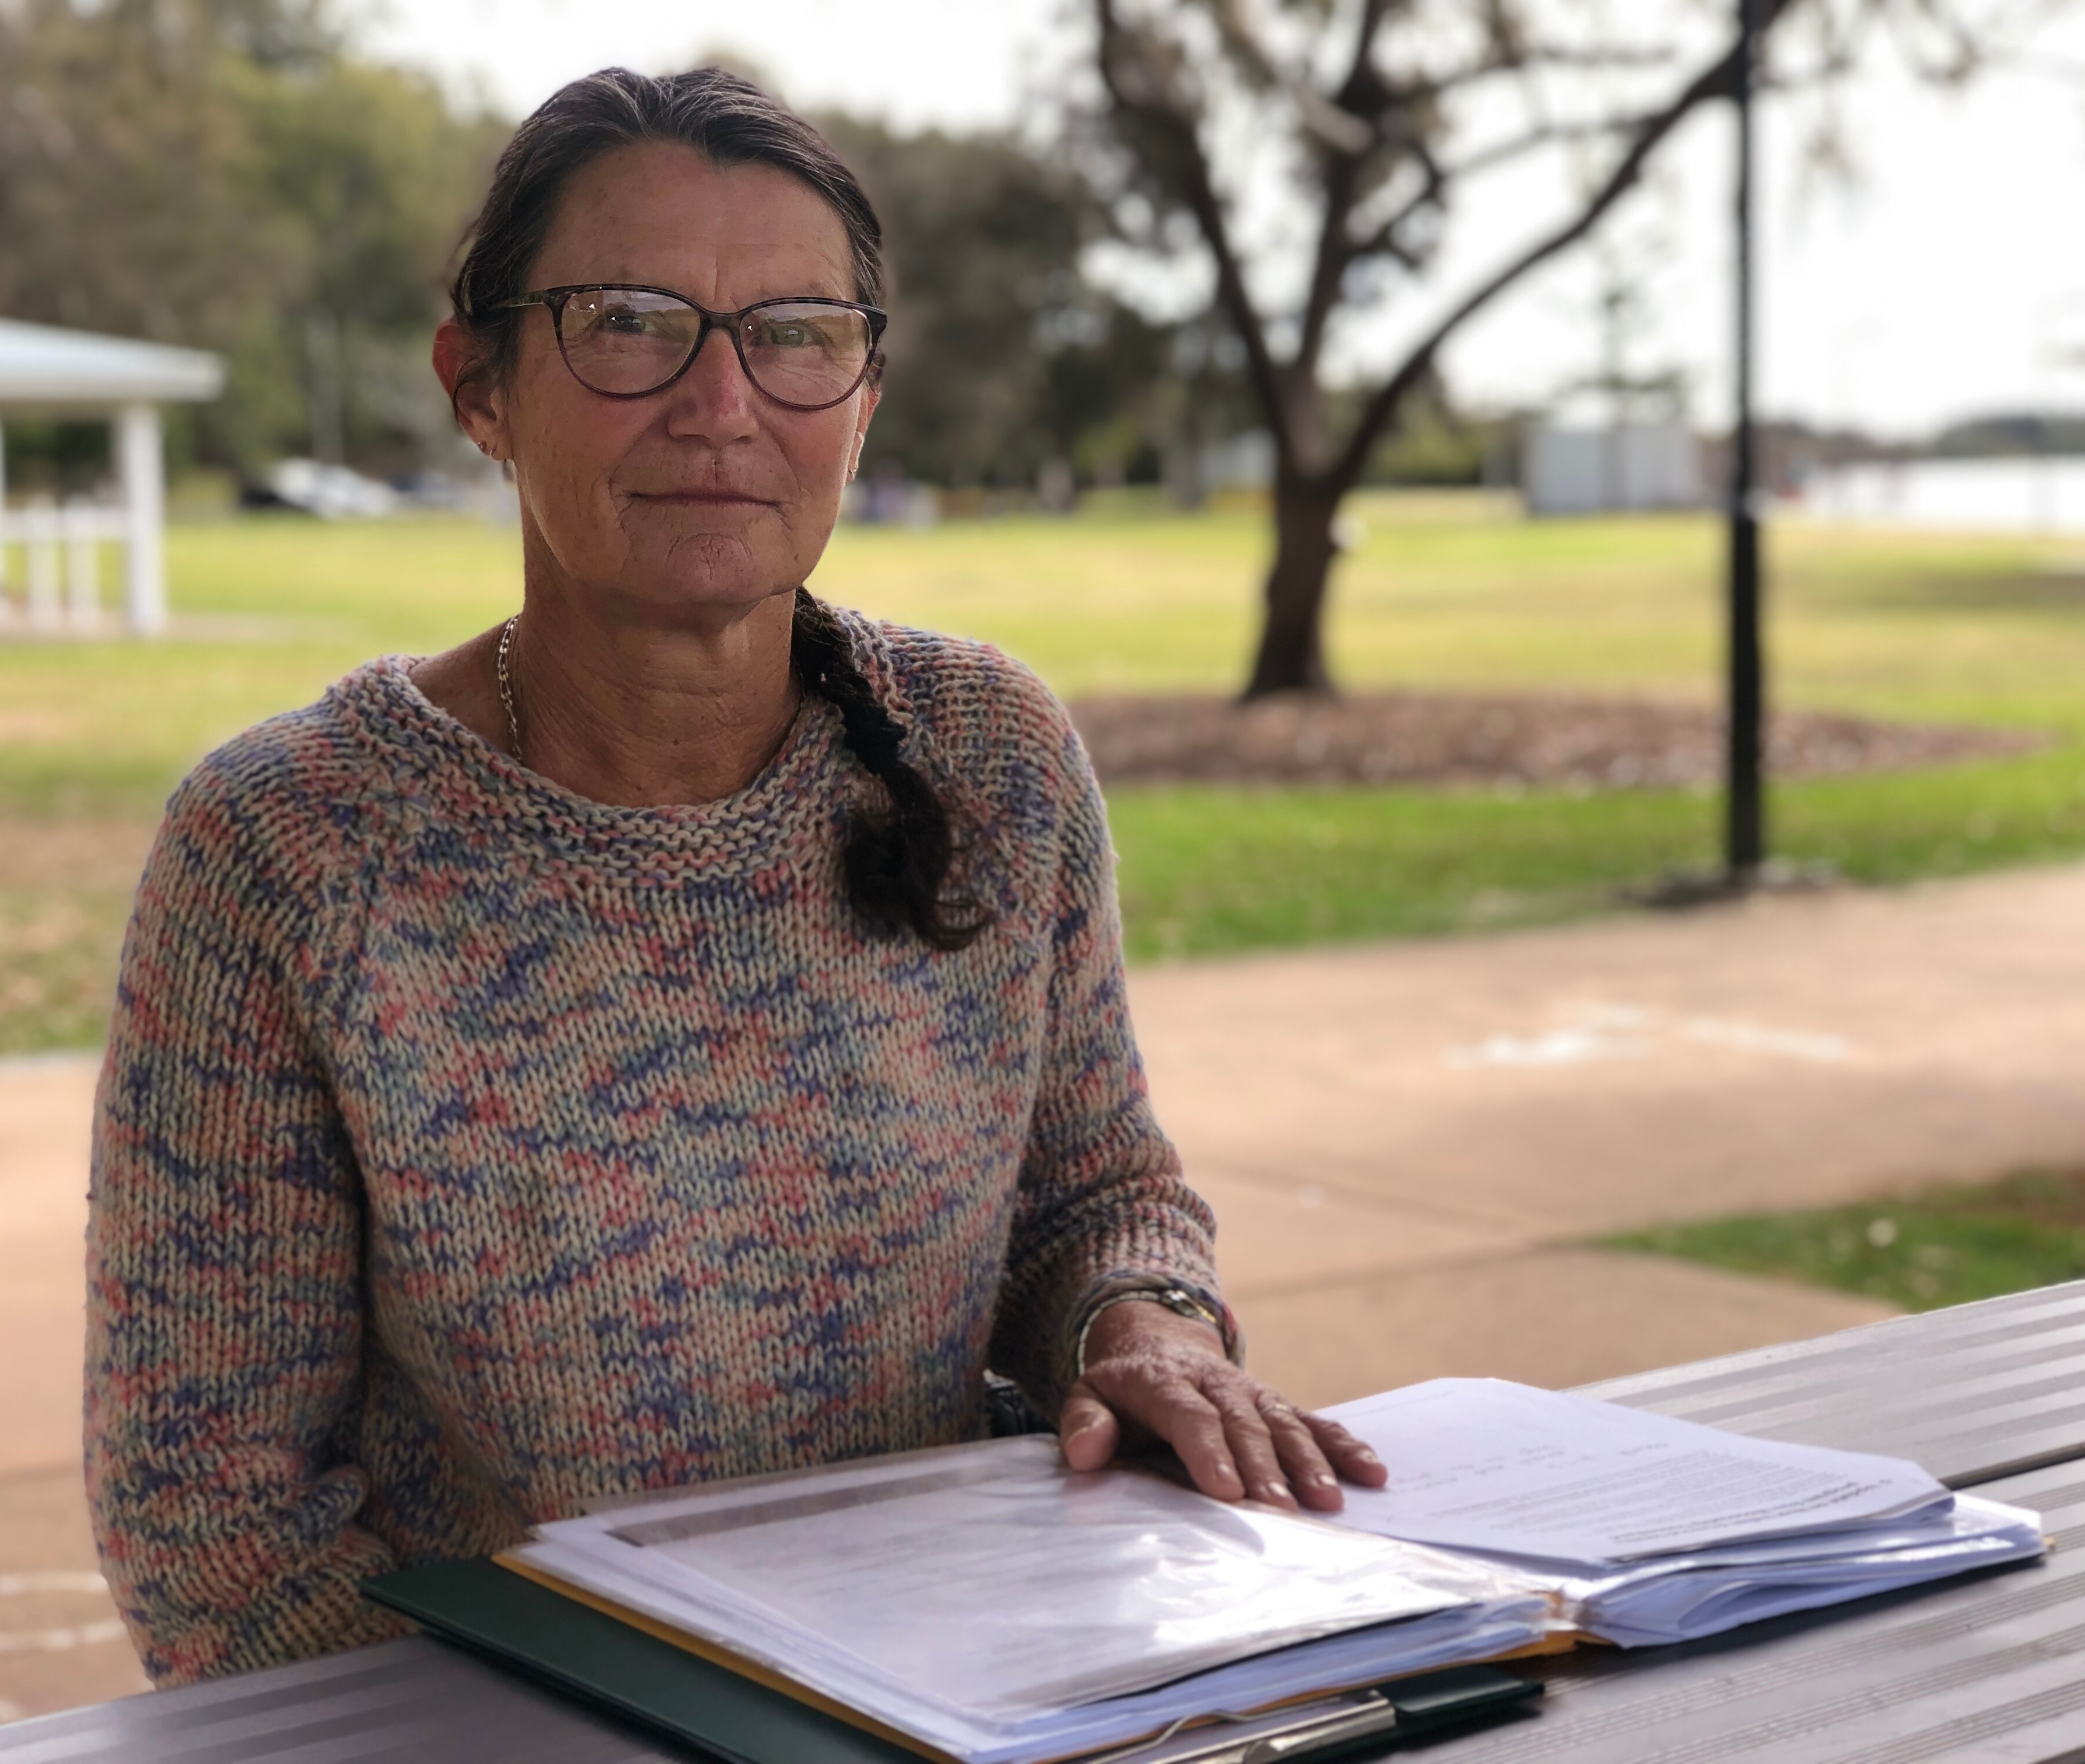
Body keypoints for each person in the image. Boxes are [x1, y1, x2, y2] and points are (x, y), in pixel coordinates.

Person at [85, 65, 1383, 1688]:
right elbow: (214, 1531)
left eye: (796, 335)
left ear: (865, 395)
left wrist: (1143, 1330)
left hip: (981, 1684)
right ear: (475, 385)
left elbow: (1094, 1201)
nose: (723, 403)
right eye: (630, 323)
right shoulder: (291, 849)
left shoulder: (986, 752)